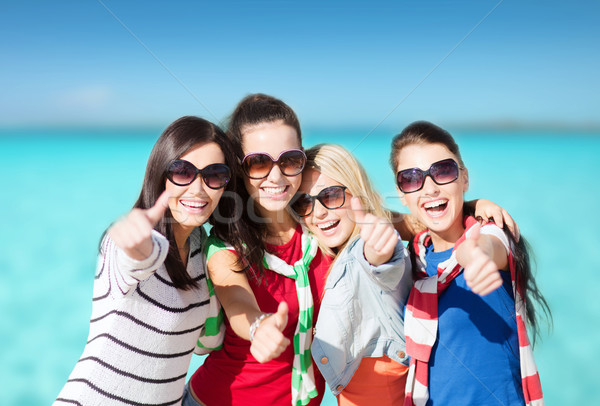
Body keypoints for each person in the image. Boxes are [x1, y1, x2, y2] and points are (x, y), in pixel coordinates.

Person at [293, 144, 517, 406]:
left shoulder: (370, 247)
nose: (318, 211)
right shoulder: (312, 250)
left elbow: (383, 262)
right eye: (303, 202)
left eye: (331, 196)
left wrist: (379, 253)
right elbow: (424, 216)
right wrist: (472, 204)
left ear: (358, 195)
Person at [54, 116, 238, 406]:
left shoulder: (203, 253)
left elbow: (207, 342)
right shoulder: (127, 245)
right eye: (182, 172)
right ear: (160, 174)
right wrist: (138, 245)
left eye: (214, 175)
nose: (198, 189)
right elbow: (136, 258)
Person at [185, 94, 332, 406]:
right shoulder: (225, 246)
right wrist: (258, 326)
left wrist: (463, 212)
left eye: (290, 161)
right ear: (240, 168)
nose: (276, 176)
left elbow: (401, 220)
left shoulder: (322, 225)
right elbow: (236, 297)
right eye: (259, 163)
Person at [390, 121, 551, 406]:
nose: (429, 187)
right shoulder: (414, 258)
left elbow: (484, 246)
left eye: (443, 171)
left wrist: (474, 256)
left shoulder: (492, 234)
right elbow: (364, 217)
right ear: (402, 194)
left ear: (463, 178)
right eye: (412, 179)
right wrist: (472, 203)